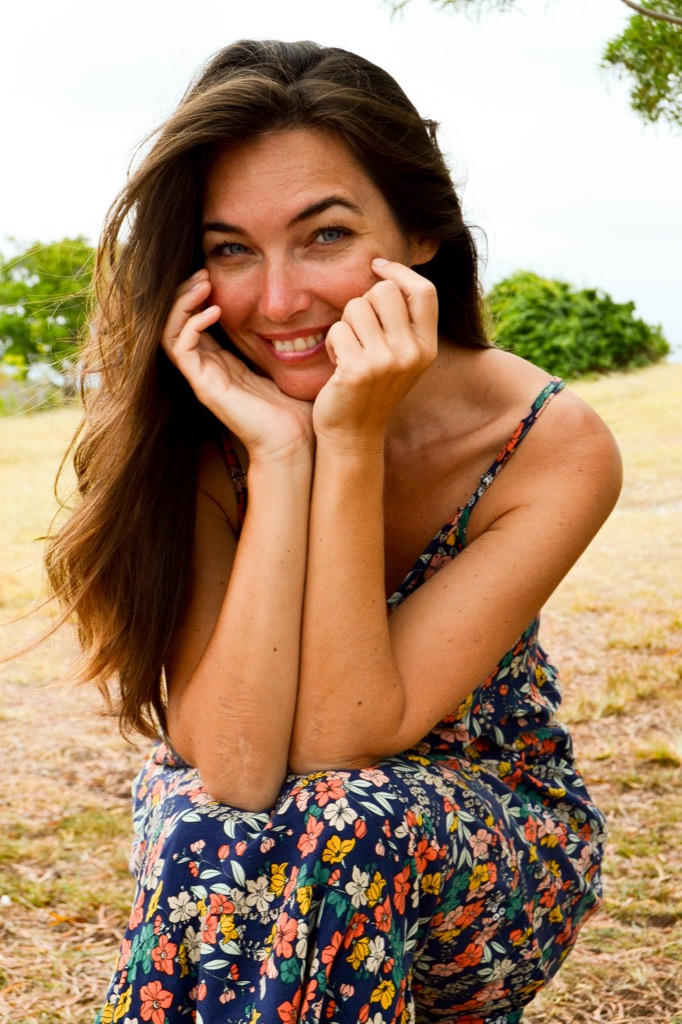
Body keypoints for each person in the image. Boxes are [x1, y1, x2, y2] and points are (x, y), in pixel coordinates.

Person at [47, 39, 622, 1024]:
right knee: (215, 817)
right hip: (263, 840)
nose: (276, 301)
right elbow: (232, 760)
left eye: (323, 237)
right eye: (231, 248)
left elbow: (340, 737)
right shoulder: (207, 430)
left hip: (485, 855)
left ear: (421, 232)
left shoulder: (547, 441)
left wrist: (346, 441)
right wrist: (279, 456)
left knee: (325, 823)